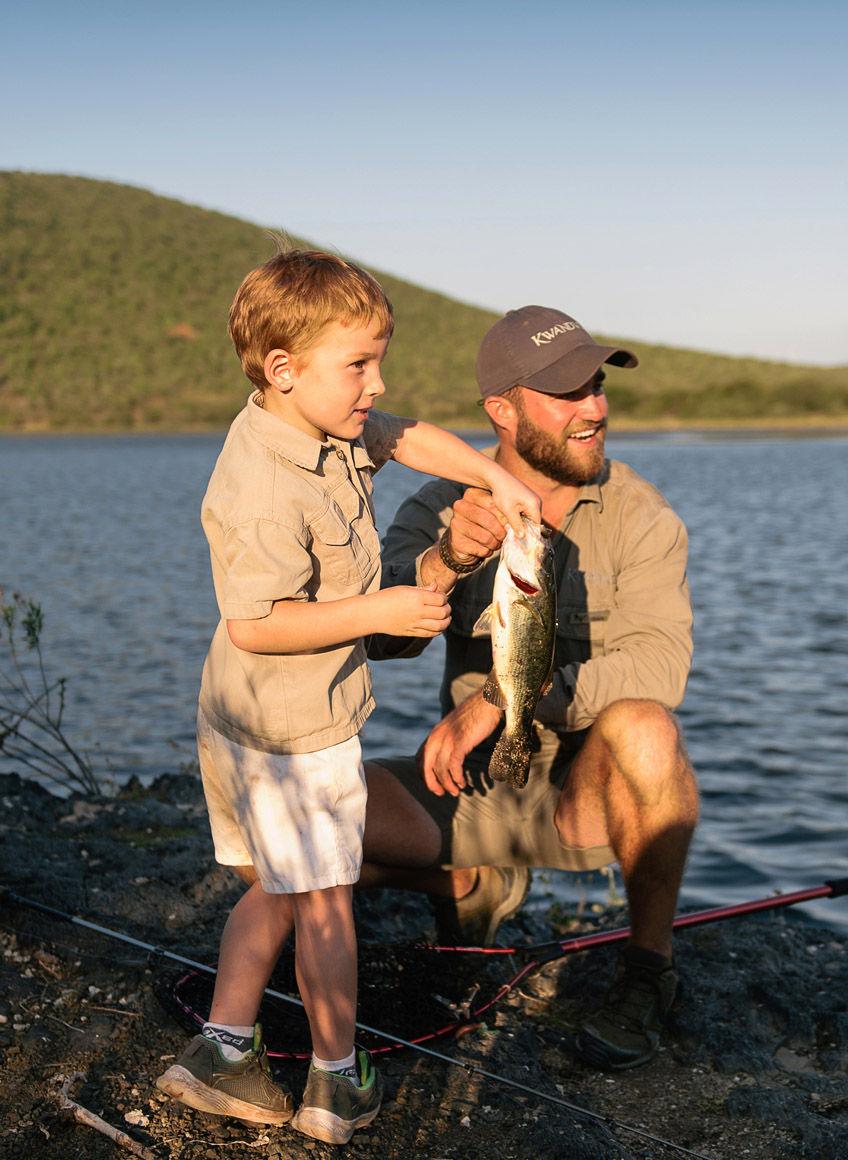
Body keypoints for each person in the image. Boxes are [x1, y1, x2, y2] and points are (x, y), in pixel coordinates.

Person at [155, 250, 540, 1144]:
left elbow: (409, 436)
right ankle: (336, 1084)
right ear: (283, 368)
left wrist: (498, 479)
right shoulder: (260, 484)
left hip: (251, 713)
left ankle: (222, 1050)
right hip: (290, 728)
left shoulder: (325, 418)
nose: (377, 385)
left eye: (378, 360)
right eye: (359, 365)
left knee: (281, 891)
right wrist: (388, 606)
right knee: (326, 900)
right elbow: (256, 621)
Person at [362, 304, 699, 1071]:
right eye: (567, 393)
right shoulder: (438, 504)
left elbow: (660, 666)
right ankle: (470, 883)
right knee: (266, 842)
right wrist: (447, 560)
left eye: (597, 388)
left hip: (583, 798)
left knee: (649, 728)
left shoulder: (643, 517)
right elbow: (380, 639)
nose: (595, 409)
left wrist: (501, 701)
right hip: (469, 790)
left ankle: (649, 973)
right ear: (501, 412)